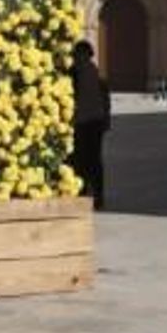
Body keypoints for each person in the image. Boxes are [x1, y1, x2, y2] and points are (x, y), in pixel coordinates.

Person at [70, 40, 111, 209]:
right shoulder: (97, 72)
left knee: (83, 159)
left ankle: (86, 192)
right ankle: (96, 195)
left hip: (84, 122)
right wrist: (106, 120)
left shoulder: (75, 72)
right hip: (95, 121)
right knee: (93, 160)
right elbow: (106, 99)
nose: (78, 57)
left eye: (80, 54)